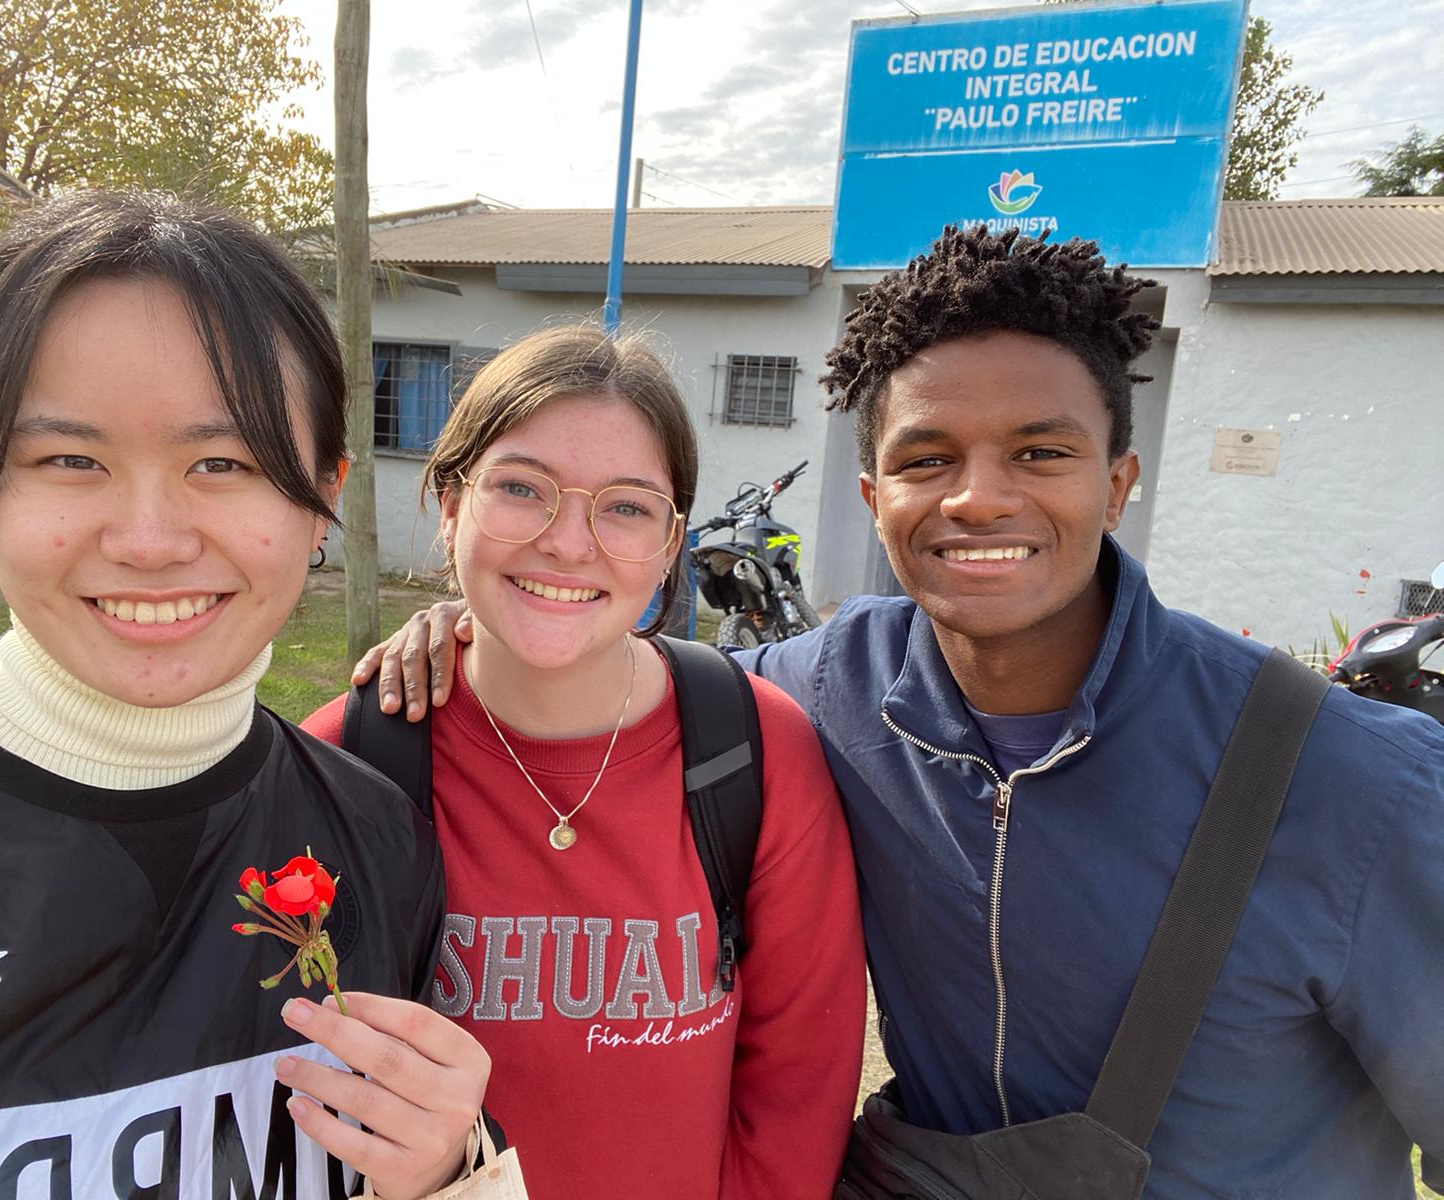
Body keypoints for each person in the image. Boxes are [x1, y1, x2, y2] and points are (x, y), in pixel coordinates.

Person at [358, 228, 1444, 1198]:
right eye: (927, 459)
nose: (977, 496)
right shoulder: (805, 700)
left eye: (1040, 451)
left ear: (1116, 484)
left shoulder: (1349, 782)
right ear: (876, 497)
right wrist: (476, 617)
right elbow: (605, 663)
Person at [0, 192, 488, 1198]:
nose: (149, 540)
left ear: (322, 494)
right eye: (69, 459)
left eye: (221, 463)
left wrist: (456, 1172)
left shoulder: (375, 841)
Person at [300, 324, 865, 1200]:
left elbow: (795, 1095)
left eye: (628, 506)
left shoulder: (753, 751)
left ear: (674, 541)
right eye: (521, 490)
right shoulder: (346, 763)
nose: (569, 543)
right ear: (450, 507)